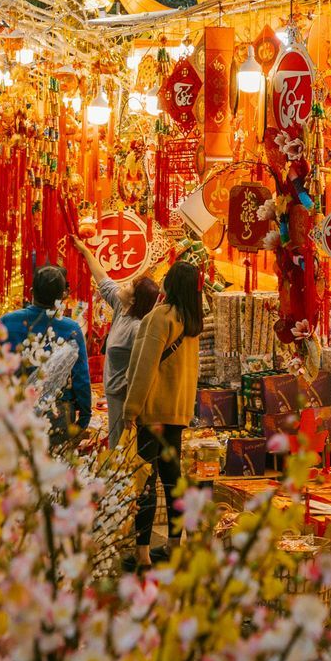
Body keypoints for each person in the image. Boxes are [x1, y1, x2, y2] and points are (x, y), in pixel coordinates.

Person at [122, 260, 203, 571]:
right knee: (173, 481)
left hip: (153, 410)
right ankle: (173, 546)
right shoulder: (193, 322)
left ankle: (142, 554)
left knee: (145, 479)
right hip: (178, 411)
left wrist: (131, 408)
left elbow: (145, 367)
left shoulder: (161, 317)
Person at [69, 233, 159, 440]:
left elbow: (143, 369)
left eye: (129, 286)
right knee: (115, 445)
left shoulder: (137, 328)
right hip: (113, 393)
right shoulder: (121, 308)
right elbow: (102, 278)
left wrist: (132, 405)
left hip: (124, 397)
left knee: (120, 449)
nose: (123, 286)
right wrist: (84, 250)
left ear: (135, 299)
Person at [0, 266, 92, 437]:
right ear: (63, 295)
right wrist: (85, 415)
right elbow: (81, 376)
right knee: (54, 461)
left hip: (15, 405)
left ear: (32, 291)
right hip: (57, 409)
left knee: (18, 461)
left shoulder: (8, 321)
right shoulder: (72, 329)